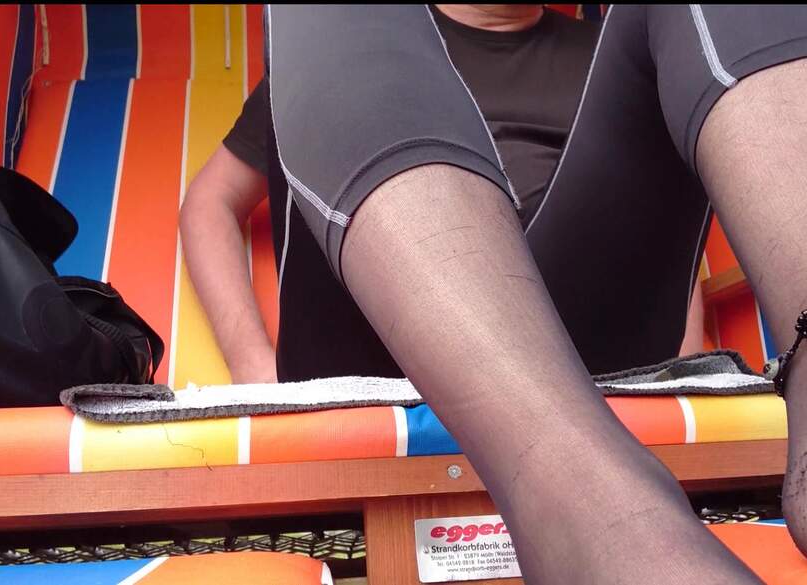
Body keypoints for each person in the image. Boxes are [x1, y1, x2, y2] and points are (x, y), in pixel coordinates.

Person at [256, 5, 807, 584]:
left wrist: (681, 358)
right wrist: (251, 356)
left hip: (583, 333)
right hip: (379, 315)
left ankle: (602, 523)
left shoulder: (602, 49)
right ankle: (597, 511)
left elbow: (648, 229)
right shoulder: (339, 47)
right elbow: (211, 204)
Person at [181, 5, 601, 383]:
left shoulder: (607, 59)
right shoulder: (350, 44)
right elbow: (211, 202)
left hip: (564, 343)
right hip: (368, 351)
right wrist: (249, 358)